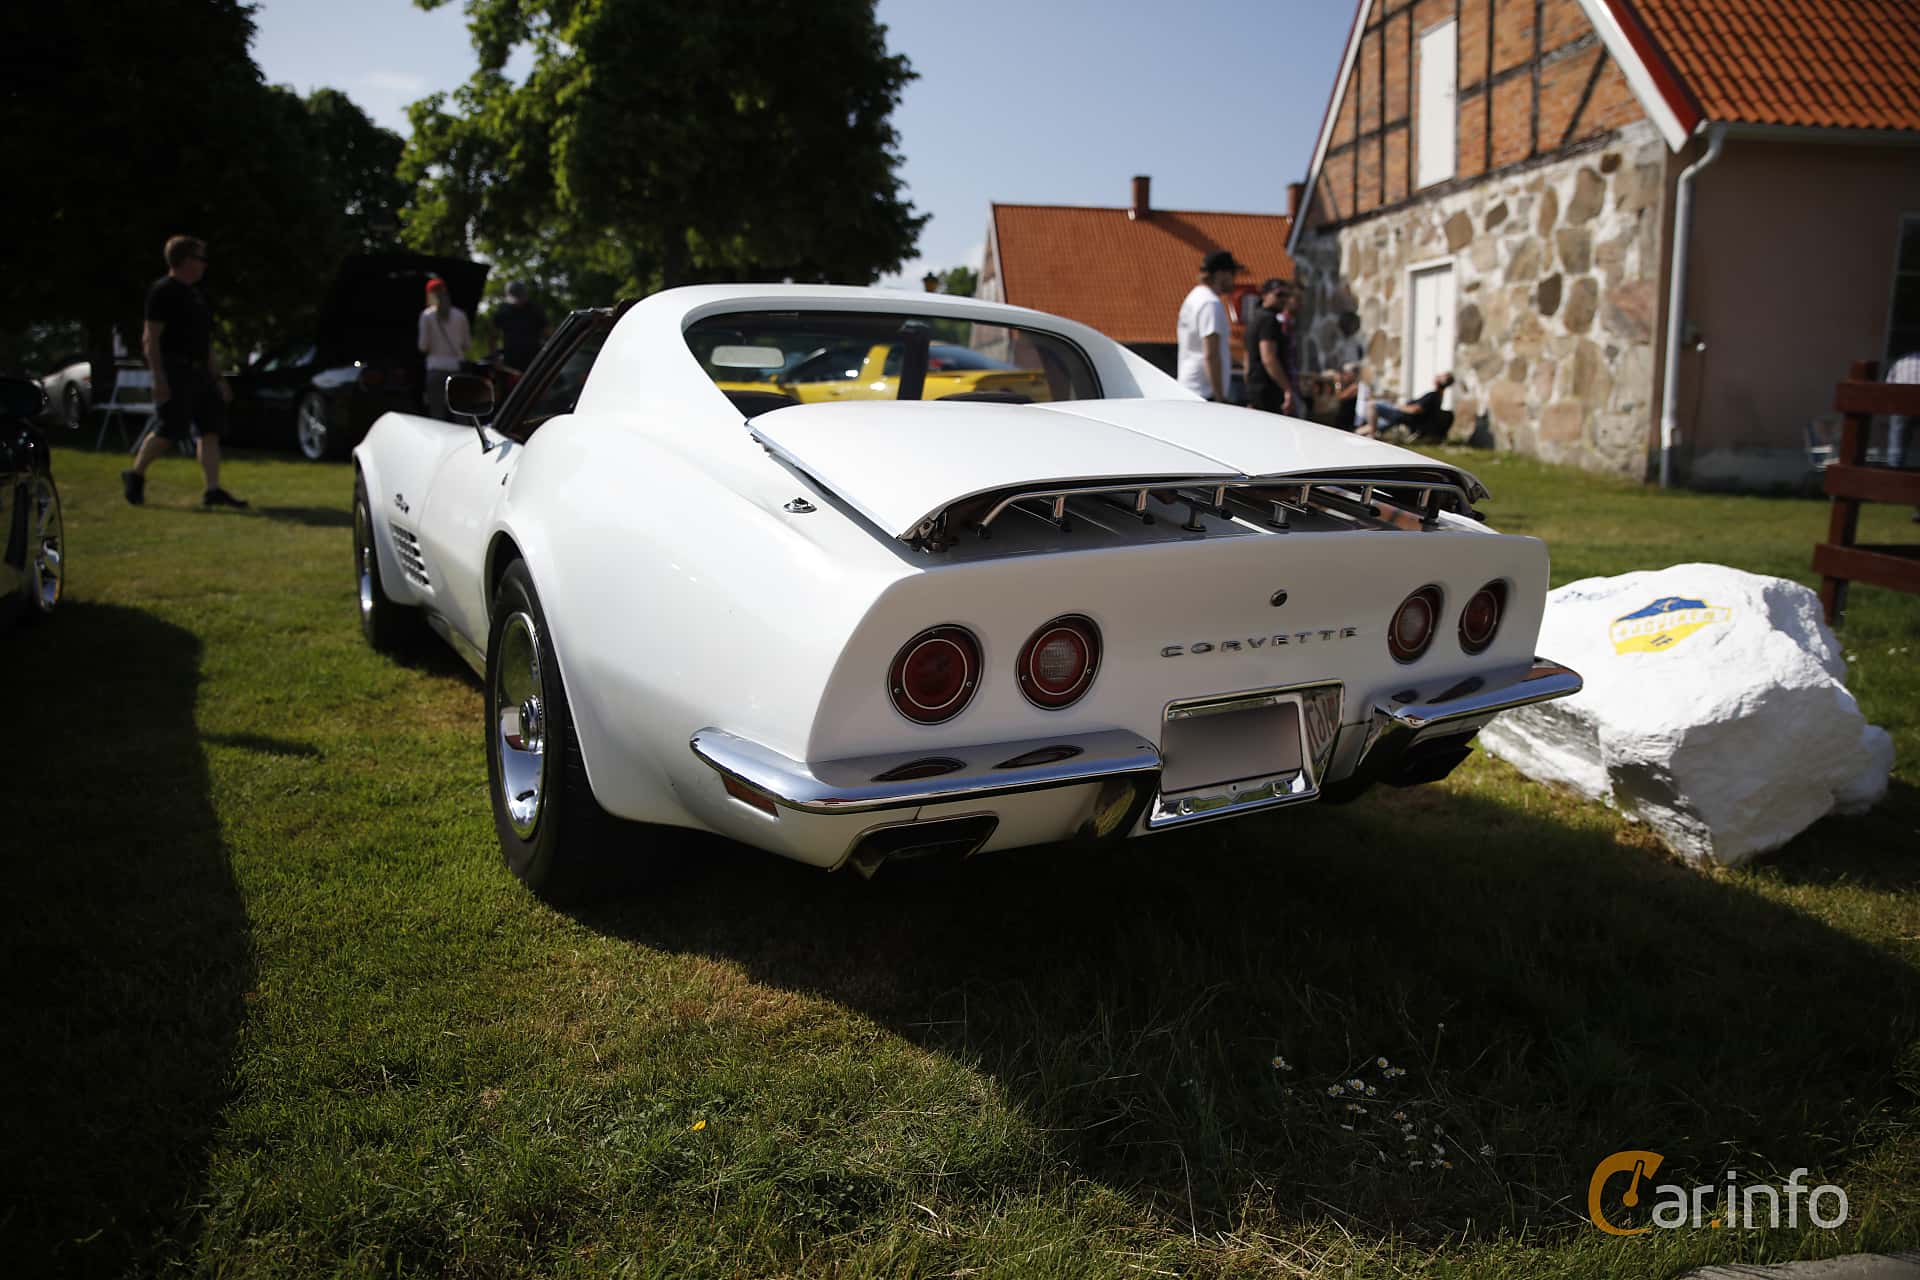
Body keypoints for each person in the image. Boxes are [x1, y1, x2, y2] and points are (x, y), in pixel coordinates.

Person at [121, 235, 247, 508]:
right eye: (201, 259)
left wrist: (218, 379)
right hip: (175, 370)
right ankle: (135, 474)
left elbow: (205, 343)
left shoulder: (196, 295)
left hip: (201, 373)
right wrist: (159, 378)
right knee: (170, 429)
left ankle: (212, 489)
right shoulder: (163, 291)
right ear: (185, 260)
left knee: (210, 429)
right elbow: (150, 339)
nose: (204, 265)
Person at [1177, 249, 1242, 402]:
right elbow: (1211, 354)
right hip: (1204, 391)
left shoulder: (1194, 297)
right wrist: (1219, 396)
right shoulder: (1210, 303)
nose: (1234, 279)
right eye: (1232, 274)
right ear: (1220, 274)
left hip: (1189, 385)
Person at [418, 277, 471, 420]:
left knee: (437, 415)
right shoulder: (460, 315)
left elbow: (423, 346)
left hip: (435, 368)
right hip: (455, 369)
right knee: (460, 414)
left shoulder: (426, 316)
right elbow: (467, 345)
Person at [1244, 278, 1299, 415]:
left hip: (1256, 389)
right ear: (1265, 295)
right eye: (1279, 294)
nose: (1284, 299)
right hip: (1268, 391)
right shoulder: (1269, 320)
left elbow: (1247, 358)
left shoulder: (1255, 318)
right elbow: (1269, 358)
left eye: (1287, 295)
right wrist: (1287, 389)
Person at [1374, 372, 1455, 440]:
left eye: (1440, 376)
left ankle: (1371, 432)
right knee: (1379, 422)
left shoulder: (1433, 396)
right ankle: (1368, 432)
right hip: (1404, 417)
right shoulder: (1438, 396)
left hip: (1403, 416)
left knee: (1373, 405)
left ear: (1440, 382)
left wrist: (1397, 405)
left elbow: (1415, 410)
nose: (1437, 375)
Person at [493, 279, 548, 379]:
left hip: (534, 363)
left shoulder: (535, 310)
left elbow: (548, 333)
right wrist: (495, 358)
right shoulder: (503, 311)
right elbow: (493, 336)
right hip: (510, 365)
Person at [1333, 362, 1373, 433]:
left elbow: (1340, 397)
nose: (1344, 376)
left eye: (1346, 373)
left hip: (1348, 424)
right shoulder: (1352, 385)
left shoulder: (1355, 387)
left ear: (1353, 374)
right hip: (1344, 422)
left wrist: (1337, 383)